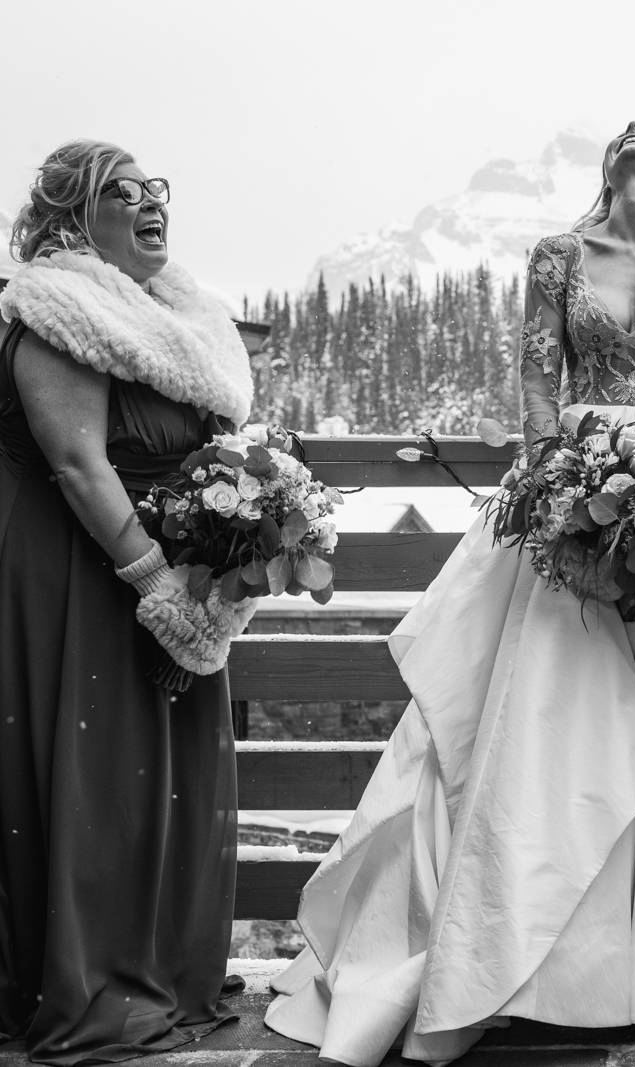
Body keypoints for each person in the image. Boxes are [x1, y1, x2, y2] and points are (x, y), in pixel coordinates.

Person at [264, 122, 635, 1063]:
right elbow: (536, 387)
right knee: (539, 718)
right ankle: (524, 960)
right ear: (607, 172)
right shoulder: (554, 257)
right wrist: (558, 501)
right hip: (567, 496)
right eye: (622, 137)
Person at [0, 141, 254, 1063]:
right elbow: (77, 462)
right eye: (124, 191)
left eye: (157, 189)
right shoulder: (58, 307)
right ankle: (94, 974)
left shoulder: (171, 313)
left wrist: (242, 539)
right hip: (85, 575)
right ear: (74, 216)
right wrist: (155, 582)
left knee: (168, 766)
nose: (151, 202)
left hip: (172, 578)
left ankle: (162, 960)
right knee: (99, 767)